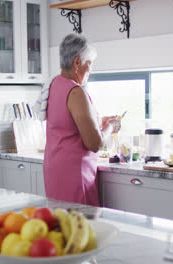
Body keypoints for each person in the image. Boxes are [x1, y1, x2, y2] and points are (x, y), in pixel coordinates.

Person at [43, 34, 121, 206]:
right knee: (81, 227)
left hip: (55, 171)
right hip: (75, 175)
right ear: (77, 62)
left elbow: (69, 125)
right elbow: (94, 143)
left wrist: (98, 121)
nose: (91, 71)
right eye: (89, 64)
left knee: (63, 226)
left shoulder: (55, 84)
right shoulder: (76, 92)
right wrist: (110, 126)